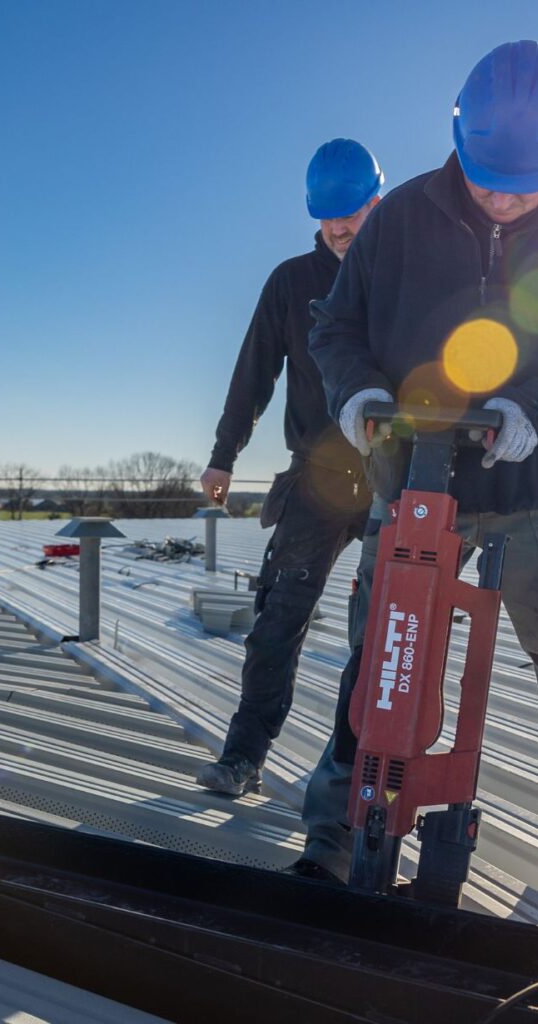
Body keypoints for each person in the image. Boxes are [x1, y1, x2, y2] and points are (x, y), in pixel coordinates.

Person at [292, 41, 538, 884]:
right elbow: (334, 331)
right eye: (486, 176)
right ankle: (340, 827)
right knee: (380, 663)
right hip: (413, 485)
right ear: (458, 136)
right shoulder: (400, 220)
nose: (499, 199)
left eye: (520, 186)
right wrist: (353, 396)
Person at [195, 139, 385, 797]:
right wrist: (224, 456)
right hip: (319, 479)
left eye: (353, 213)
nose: (341, 228)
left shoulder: (403, 278)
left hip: (394, 477)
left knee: (386, 629)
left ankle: (357, 772)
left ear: (375, 202)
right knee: (278, 619)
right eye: (329, 216)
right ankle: (243, 756)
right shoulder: (290, 283)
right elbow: (254, 374)